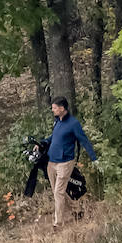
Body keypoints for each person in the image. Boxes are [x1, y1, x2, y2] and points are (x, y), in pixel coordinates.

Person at [47, 97, 96, 227]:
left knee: (58, 192)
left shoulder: (73, 124)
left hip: (65, 162)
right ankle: (77, 209)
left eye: (54, 108)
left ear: (62, 108)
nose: (52, 110)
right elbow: (54, 137)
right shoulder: (57, 122)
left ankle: (58, 223)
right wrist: (43, 142)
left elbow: (84, 140)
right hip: (52, 162)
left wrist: (94, 158)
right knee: (58, 192)